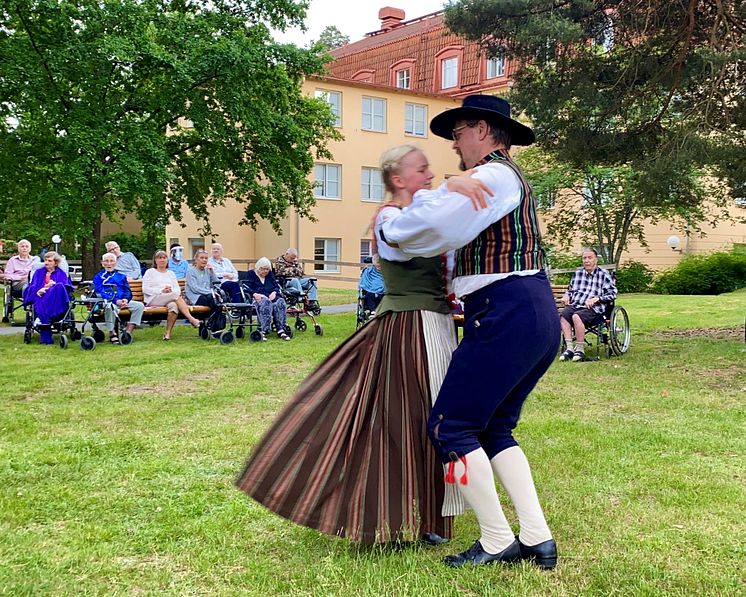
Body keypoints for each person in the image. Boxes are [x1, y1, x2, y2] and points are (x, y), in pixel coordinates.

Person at [236, 144, 490, 544]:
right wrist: (449, 188)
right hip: (411, 326)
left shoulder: (424, 216)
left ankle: (434, 518)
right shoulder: (391, 217)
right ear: (397, 180)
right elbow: (416, 231)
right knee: (414, 418)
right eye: (420, 170)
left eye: (429, 170)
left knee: (437, 417)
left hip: (437, 324)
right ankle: (397, 517)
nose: (429, 175)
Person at [379, 95, 560, 569]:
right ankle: (538, 538)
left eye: (458, 133)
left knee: (450, 426)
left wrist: (399, 222)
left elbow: (434, 228)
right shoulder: (502, 177)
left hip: (504, 308)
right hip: (531, 308)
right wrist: (451, 190)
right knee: (495, 427)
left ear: (480, 129)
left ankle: (498, 540)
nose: (453, 145)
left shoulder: (492, 175)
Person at [559, 248, 618, 362]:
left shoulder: (603, 274)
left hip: (594, 309)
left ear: (596, 259)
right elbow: (570, 290)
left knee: (577, 316)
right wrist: (566, 295)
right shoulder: (578, 273)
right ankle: (570, 348)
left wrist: (598, 298)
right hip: (576, 304)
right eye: (584, 258)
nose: (586, 261)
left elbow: (613, 293)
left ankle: (580, 350)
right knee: (564, 314)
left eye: (589, 258)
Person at [142, 250, 200, 340]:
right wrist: (161, 291)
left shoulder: (171, 273)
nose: (162, 260)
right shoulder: (150, 272)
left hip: (170, 298)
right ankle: (191, 319)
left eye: (164, 258)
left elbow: (177, 289)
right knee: (175, 295)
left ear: (167, 260)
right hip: (153, 299)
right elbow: (145, 289)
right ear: (155, 260)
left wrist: (169, 291)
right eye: (160, 258)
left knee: (173, 306)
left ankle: (167, 332)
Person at [22, 251, 73, 344]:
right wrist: (39, 290)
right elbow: (33, 285)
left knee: (60, 286)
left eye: (49, 261)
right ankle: (46, 322)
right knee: (34, 290)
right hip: (40, 297)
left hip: (55, 300)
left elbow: (66, 288)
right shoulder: (38, 272)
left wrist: (51, 286)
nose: (46, 263)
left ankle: (43, 320)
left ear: (56, 263)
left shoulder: (61, 273)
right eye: (45, 260)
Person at [93, 252, 144, 344]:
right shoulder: (98, 277)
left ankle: (128, 332)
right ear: (102, 263)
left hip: (123, 301)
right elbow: (100, 292)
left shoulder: (121, 276)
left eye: (111, 261)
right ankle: (112, 332)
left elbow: (127, 291)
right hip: (109, 302)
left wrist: (126, 299)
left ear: (115, 263)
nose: (109, 263)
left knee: (139, 306)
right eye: (106, 261)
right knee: (109, 307)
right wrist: (116, 301)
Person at [244, 257, 290, 341]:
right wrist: (254, 294)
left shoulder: (269, 275)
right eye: (263, 269)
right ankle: (263, 330)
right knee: (266, 303)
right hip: (257, 298)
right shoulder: (251, 274)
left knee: (280, 302)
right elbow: (246, 287)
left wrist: (274, 292)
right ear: (258, 268)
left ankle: (281, 329)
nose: (265, 271)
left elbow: (276, 286)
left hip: (271, 296)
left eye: (267, 269)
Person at [274, 248, 320, 313]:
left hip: (298, 279)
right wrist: (293, 269)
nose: (293, 260)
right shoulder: (279, 261)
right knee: (295, 280)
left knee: (312, 280)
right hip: (286, 281)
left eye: (294, 258)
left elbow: (300, 272)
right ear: (286, 254)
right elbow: (281, 272)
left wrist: (291, 269)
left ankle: (311, 302)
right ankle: (301, 297)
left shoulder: (294, 261)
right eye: (291, 258)